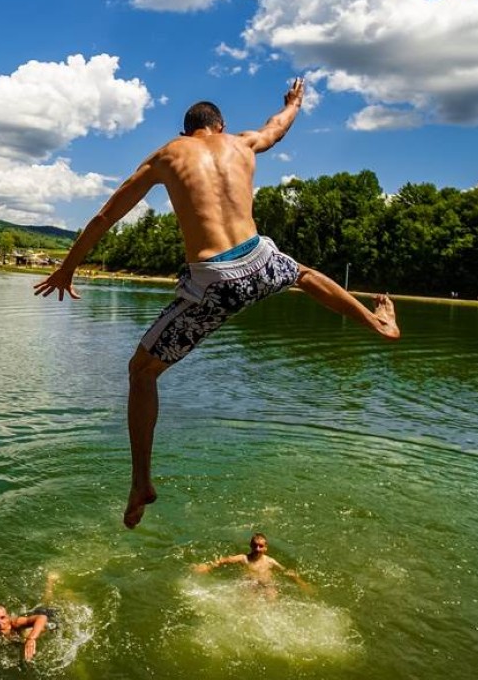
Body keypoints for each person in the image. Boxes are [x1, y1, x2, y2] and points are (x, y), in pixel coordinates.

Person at [34, 78, 401, 528]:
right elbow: (277, 128)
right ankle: (377, 322)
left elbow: (105, 216)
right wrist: (295, 103)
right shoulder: (243, 143)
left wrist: (68, 267)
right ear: (220, 125)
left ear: (187, 131)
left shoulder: (168, 155)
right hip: (262, 260)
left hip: (216, 281)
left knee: (141, 371)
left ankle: (140, 481)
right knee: (302, 274)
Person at [194, 532, 315, 596]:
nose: (257, 549)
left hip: (267, 585)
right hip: (249, 584)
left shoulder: (270, 562)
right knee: (250, 605)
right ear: (251, 546)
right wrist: (207, 567)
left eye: (261, 546)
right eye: (255, 545)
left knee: (272, 596)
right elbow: (224, 560)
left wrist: (302, 583)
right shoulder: (243, 558)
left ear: (266, 548)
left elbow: (287, 572)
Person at [0, 572, 59, 662]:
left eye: (3, 617)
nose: (0, 623)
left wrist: (31, 639)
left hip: (49, 621)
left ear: (8, 618)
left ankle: (50, 581)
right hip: (33, 618)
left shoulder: (16, 623)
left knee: (48, 601)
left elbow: (42, 617)